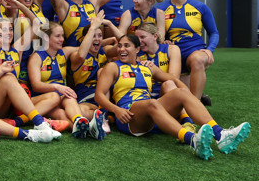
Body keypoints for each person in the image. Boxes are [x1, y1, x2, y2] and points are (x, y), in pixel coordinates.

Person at [94, 34, 250, 160]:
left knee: (180, 92)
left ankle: (221, 135)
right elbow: (99, 95)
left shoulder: (146, 67)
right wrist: (117, 110)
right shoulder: (113, 67)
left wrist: (188, 96)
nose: (121, 49)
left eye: (126, 46)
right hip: (129, 115)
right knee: (153, 103)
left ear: (137, 49)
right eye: (120, 46)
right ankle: (192, 140)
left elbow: (173, 79)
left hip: (152, 114)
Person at [28, 21, 106, 139]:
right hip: (42, 99)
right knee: (63, 100)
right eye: (58, 36)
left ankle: (79, 122)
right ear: (46, 37)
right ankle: (88, 127)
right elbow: (35, 85)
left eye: (62, 36)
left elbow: (86, 46)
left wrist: (110, 40)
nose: (62, 39)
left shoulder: (63, 52)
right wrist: (57, 87)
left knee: (66, 104)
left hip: (61, 95)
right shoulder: (36, 57)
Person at [160, 0, 218, 105]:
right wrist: (163, 41)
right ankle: (198, 96)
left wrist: (210, 49)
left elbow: (214, 32)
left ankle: (195, 106)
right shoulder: (161, 10)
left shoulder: (200, 7)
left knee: (197, 60)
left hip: (195, 50)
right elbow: (158, 35)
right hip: (175, 56)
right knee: (180, 93)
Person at [135, 22, 180, 98]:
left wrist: (153, 70)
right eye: (137, 38)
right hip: (144, 96)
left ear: (155, 36)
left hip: (165, 93)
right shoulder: (135, 53)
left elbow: (174, 78)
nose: (139, 41)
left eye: (142, 37)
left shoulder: (171, 49)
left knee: (169, 84)